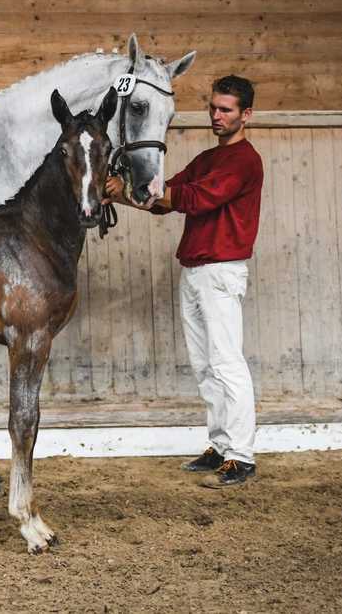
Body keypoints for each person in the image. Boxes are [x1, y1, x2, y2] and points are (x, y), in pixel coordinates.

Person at [105, 75, 263, 488]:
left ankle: (242, 456)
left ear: (246, 115)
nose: (216, 115)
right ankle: (220, 445)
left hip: (221, 271)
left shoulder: (244, 160)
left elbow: (193, 199)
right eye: (213, 108)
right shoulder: (208, 159)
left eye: (226, 109)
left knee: (226, 363)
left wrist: (130, 189)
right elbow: (164, 197)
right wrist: (119, 193)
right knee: (205, 365)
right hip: (195, 269)